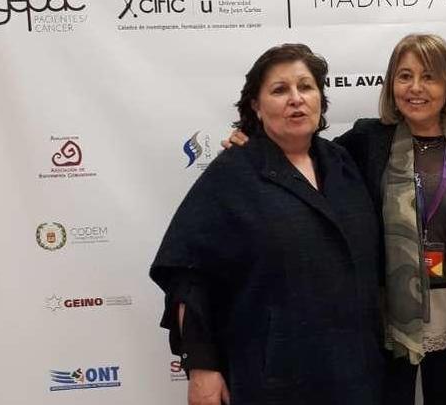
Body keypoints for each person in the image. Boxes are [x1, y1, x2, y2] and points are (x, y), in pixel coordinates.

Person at [228, 34, 446, 405]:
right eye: (404, 76)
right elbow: (304, 158)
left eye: (429, 76)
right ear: (391, 84)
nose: (415, 88)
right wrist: (254, 142)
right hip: (387, 317)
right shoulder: (367, 140)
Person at [150, 43, 383, 405]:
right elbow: (188, 275)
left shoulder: (342, 162)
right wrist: (202, 367)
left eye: (306, 87)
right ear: (256, 107)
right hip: (274, 376)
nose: (296, 99)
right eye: (279, 90)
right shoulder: (233, 174)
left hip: (354, 371)